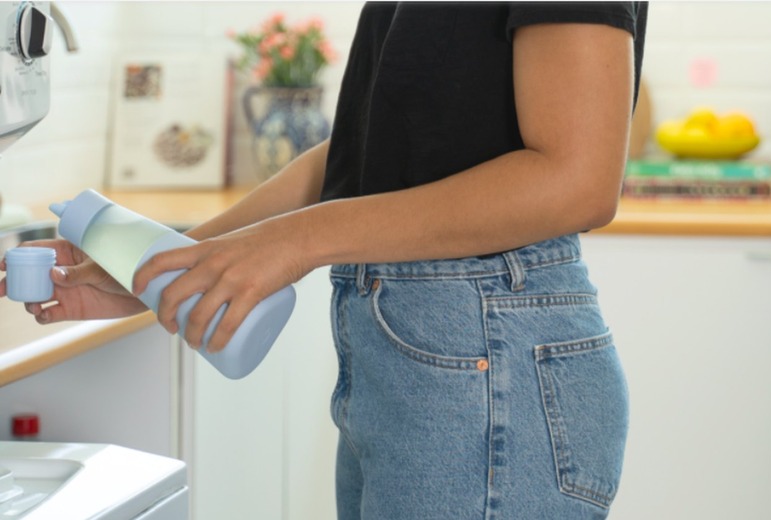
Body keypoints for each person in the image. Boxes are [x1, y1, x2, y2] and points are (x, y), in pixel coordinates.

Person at [1, 2, 647, 518]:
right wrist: (174, 265)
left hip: (484, 356)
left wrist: (293, 241)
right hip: (417, 359)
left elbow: (576, 180)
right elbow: (362, 154)